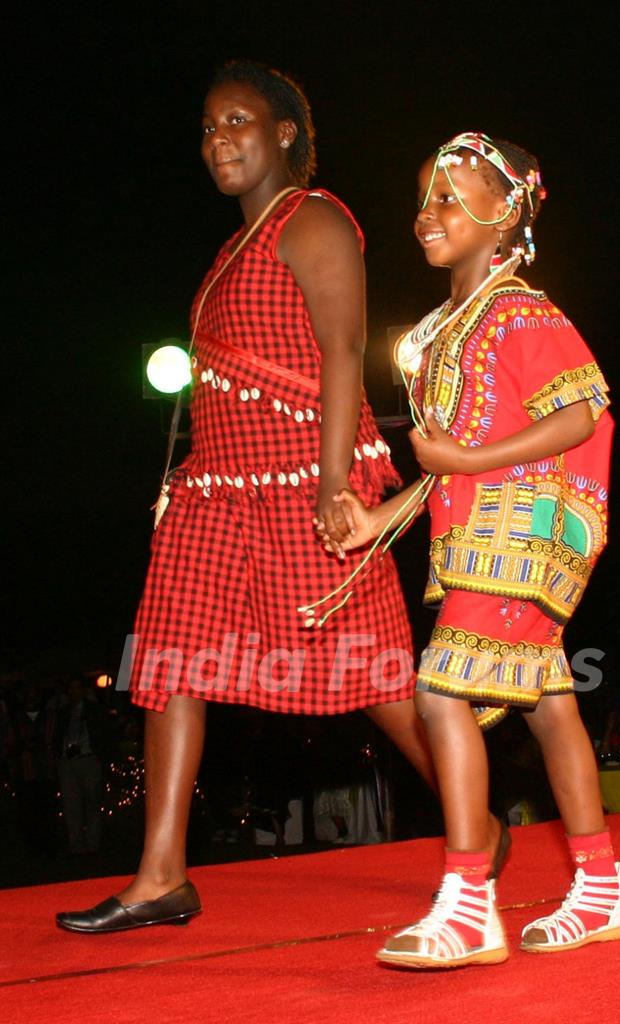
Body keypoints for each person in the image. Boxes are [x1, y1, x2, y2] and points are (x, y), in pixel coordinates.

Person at [56, 62, 505, 935]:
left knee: (376, 680)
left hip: (304, 485)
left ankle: (480, 825)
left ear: (286, 132)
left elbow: (343, 353)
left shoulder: (316, 220)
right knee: (168, 662)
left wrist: (337, 487)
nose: (218, 138)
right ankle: (160, 876)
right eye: (208, 126)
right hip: (216, 487)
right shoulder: (233, 246)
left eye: (239, 121)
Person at [322, 131, 620, 967]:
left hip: (525, 533)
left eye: (453, 196)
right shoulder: (441, 333)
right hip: (484, 527)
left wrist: (465, 461)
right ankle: (600, 888)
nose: (431, 213)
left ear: (508, 214)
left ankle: (468, 903)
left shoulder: (519, 308)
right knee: (552, 698)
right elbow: (441, 469)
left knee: (438, 694)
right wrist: (376, 519)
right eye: (425, 197)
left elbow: (583, 411)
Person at [53, 678, 111, 854]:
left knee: (92, 801)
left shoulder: (94, 710)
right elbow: (57, 735)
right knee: (71, 803)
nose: (74, 692)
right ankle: (76, 845)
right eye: (71, 688)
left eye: (77, 688)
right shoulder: (63, 712)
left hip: (88, 758)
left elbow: (103, 733)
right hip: (67, 761)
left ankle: (93, 844)